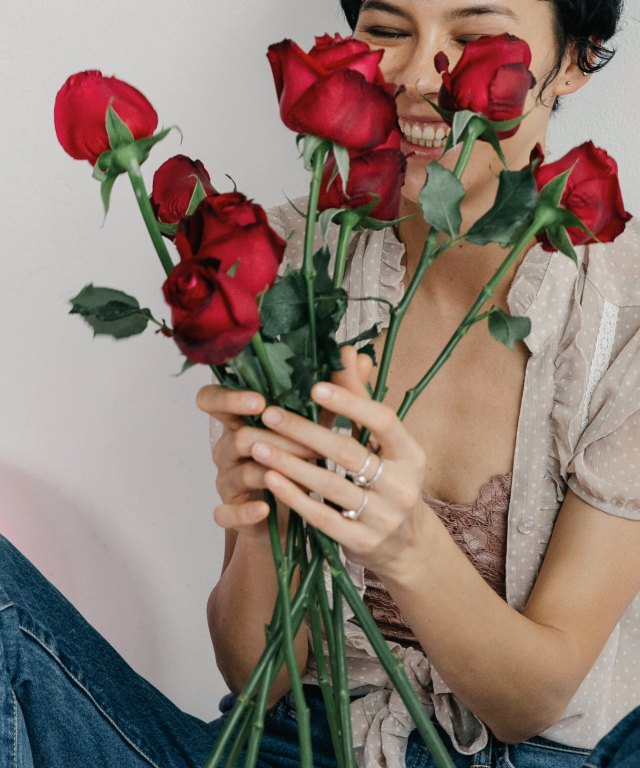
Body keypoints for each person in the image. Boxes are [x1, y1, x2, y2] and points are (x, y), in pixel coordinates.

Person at [0, 0, 635, 767]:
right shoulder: (284, 260)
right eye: (388, 32)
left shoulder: (620, 322)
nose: (419, 75)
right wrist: (271, 514)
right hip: (289, 743)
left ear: (575, 57)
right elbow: (254, 676)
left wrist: (406, 543)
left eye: (473, 38)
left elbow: (531, 701)